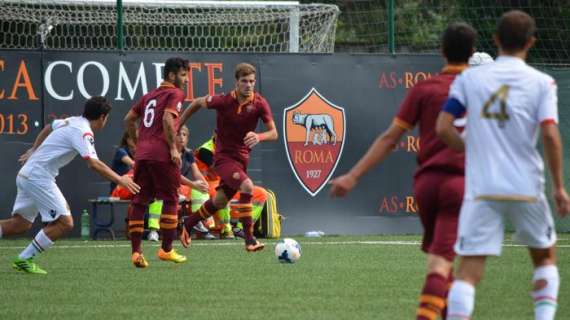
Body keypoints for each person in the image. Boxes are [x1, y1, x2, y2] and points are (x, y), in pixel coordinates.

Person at [329, 22, 477, 319]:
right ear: (472, 53)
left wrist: (352, 176)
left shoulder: (425, 88)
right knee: (443, 263)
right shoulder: (483, 90)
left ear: (441, 51)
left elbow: (389, 138)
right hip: (461, 185)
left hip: (426, 185)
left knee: (441, 260)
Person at [436, 10, 570, 320]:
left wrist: (473, 150)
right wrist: (560, 187)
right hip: (526, 187)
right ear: (532, 42)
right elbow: (550, 134)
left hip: (482, 188)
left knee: (468, 272)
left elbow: (443, 128)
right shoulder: (542, 83)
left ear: (495, 40)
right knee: (545, 259)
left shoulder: (469, 78)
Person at [0, 96, 140, 274]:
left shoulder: (71, 121)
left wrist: (35, 149)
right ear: (103, 117)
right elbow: (94, 163)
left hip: (27, 174)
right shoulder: (84, 131)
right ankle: (24, 259)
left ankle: (24, 259)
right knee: (65, 223)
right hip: (38, 177)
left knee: (20, 224)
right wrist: (121, 180)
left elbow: (48, 127)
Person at [178, 62, 278, 252]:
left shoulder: (259, 103)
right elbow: (197, 102)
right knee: (247, 186)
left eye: (252, 81)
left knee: (220, 201)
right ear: (236, 82)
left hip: (242, 160)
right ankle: (249, 239)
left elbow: (274, 133)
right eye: (244, 81)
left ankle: (188, 224)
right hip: (223, 158)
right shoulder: (223, 101)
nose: (249, 85)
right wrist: (178, 124)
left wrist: (259, 136)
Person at [123, 57, 189, 268]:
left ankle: (136, 253)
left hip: (142, 155)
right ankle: (166, 250)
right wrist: (172, 147)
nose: (186, 80)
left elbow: (128, 119)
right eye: (183, 75)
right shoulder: (175, 93)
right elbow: (168, 119)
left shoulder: (149, 95)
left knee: (140, 201)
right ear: (171, 75)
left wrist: (135, 142)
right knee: (170, 199)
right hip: (162, 154)